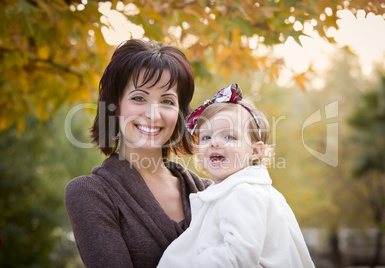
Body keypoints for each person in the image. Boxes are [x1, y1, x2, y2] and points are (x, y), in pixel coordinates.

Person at [64, 39, 212, 268]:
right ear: (115, 105)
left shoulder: (211, 193)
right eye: (139, 98)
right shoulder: (91, 193)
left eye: (167, 101)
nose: (153, 115)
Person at [157, 84, 315, 268]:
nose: (215, 142)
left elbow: (238, 257)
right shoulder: (238, 191)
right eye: (206, 137)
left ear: (255, 151)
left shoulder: (243, 194)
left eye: (229, 137)